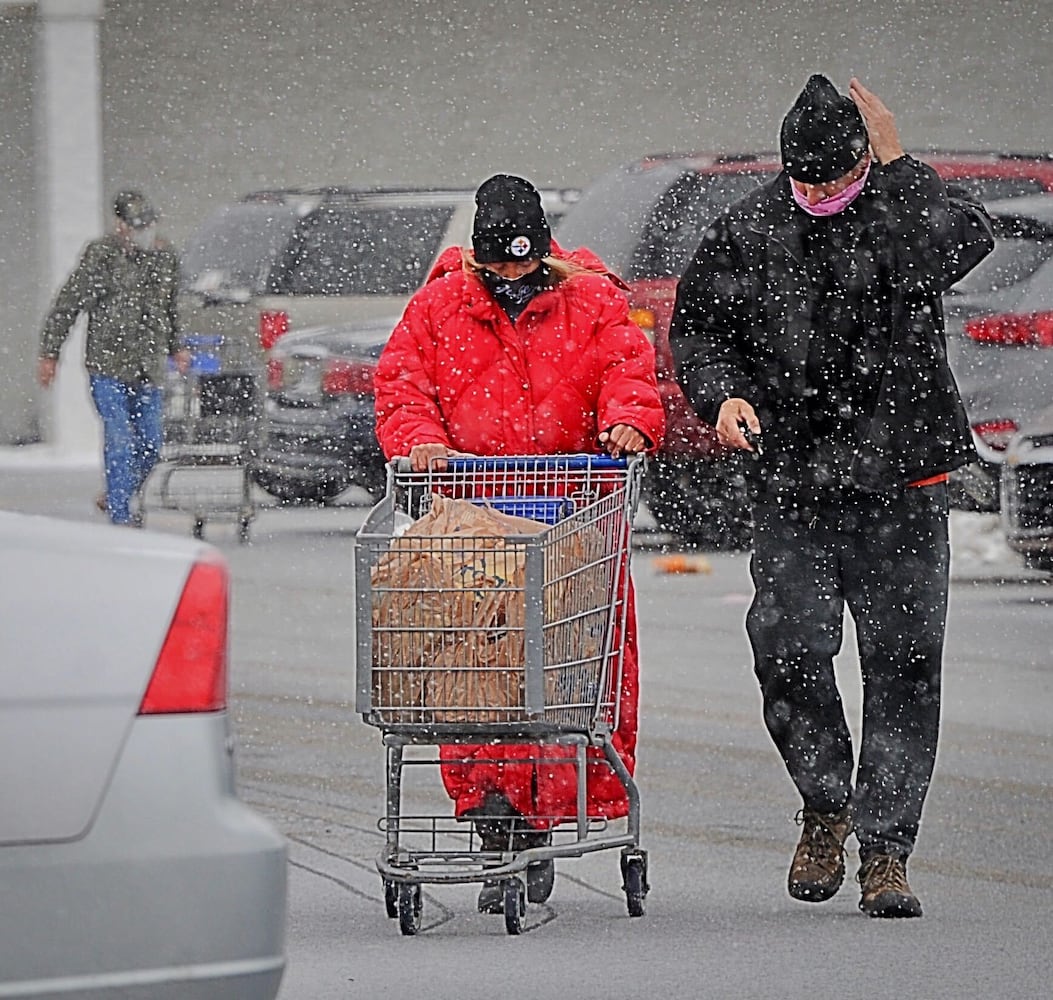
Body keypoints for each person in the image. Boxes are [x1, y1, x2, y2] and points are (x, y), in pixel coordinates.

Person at [669, 76, 994, 918]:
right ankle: (824, 802)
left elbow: (963, 243)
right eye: (803, 182)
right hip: (795, 480)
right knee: (786, 648)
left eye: (834, 179)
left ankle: (886, 850)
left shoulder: (896, 212)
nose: (817, 195)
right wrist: (720, 396)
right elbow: (699, 328)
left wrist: (897, 161)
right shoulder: (748, 228)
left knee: (904, 667)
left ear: (861, 160)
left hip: (901, 480)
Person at [373, 173, 666, 912]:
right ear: (474, 256)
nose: (511, 276)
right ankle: (496, 815)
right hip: (471, 531)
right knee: (476, 674)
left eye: (523, 261)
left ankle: (537, 813)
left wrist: (631, 421)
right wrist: (419, 444)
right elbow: (402, 389)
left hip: (571, 524)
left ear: (543, 251)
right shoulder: (437, 310)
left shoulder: (593, 302)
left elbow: (630, 373)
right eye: (497, 263)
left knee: (564, 675)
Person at [38, 190, 189, 526]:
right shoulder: (101, 257)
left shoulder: (164, 258)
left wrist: (176, 346)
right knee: (119, 439)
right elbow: (68, 305)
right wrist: (50, 353)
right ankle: (121, 516)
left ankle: (118, 492)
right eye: (137, 225)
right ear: (120, 225)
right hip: (108, 365)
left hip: (148, 367)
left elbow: (170, 308)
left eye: (149, 224)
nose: (144, 232)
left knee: (151, 443)